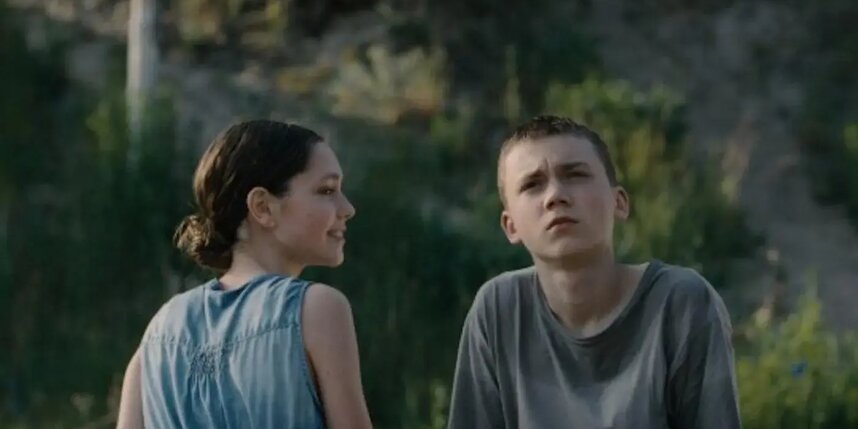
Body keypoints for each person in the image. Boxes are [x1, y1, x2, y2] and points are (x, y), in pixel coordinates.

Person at [447, 115, 741, 428]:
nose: (555, 196)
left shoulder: (680, 303)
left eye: (575, 175)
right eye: (532, 184)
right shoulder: (498, 310)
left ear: (619, 203)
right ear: (511, 226)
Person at [116, 120, 372, 429]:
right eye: (327, 190)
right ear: (262, 207)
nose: (347, 208)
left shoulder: (158, 334)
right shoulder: (317, 310)